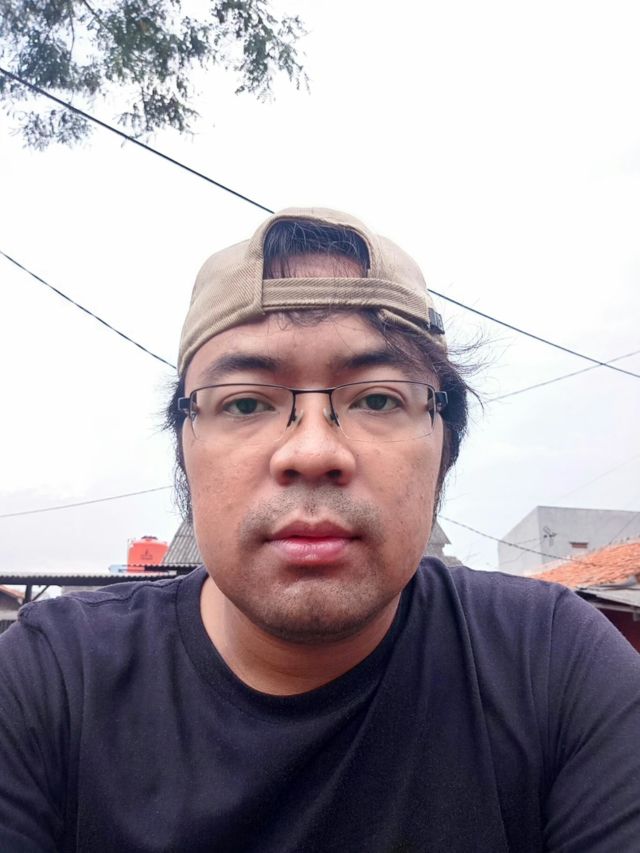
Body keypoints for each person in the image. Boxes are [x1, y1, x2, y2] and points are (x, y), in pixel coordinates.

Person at [1, 208, 639, 853]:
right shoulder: (52, 680)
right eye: (244, 401)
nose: (311, 452)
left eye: (379, 398)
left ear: (444, 450)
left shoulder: (553, 664)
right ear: (185, 453)